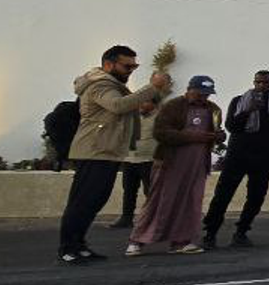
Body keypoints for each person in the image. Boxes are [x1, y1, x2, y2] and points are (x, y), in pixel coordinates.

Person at [57, 46, 171, 265]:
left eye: (134, 66)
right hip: (94, 151)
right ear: (109, 64)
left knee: (94, 201)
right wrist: (153, 87)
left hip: (106, 151)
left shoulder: (113, 85)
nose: (131, 70)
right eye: (127, 66)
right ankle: (68, 248)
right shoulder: (100, 85)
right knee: (82, 202)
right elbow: (118, 106)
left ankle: (79, 245)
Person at [127, 76, 224, 256]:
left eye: (206, 95)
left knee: (190, 202)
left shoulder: (213, 109)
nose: (203, 98)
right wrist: (193, 137)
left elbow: (216, 131)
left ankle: (181, 240)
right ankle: (137, 240)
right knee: (160, 200)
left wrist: (219, 137)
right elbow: (160, 133)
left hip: (197, 163)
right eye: (200, 94)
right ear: (189, 89)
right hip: (171, 162)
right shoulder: (173, 106)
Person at [203, 70, 269, 248]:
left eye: (265, 83)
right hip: (238, 155)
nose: (261, 86)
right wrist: (248, 110)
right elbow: (231, 126)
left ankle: (241, 232)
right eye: (258, 82)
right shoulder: (239, 101)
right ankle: (210, 233)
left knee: (256, 196)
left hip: (263, 157)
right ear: (253, 82)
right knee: (223, 194)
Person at [109, 102, 157, 229]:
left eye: (145, 102)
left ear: (153, 103)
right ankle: (126, 218)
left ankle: (153, 219)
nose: (141, 105)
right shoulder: (131, 118)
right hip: (129, 159)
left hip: (149, 160)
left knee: (150, 191)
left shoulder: (159, 118)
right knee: (129, 190)